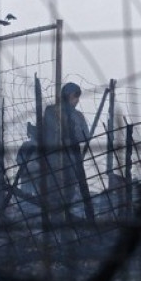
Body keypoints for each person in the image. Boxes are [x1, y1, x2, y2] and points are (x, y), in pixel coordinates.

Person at [42, 82, 92, 223]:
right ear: (70, 96)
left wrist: (71, 136)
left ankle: (64, 220)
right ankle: (56, 221)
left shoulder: (77, 116)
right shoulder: (52, 111)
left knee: (70, 190)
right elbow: (54, 132)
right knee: (55, 191)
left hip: (71, 158)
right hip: (55, 159)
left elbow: (85, 135)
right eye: (76, 97)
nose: (77, 101)